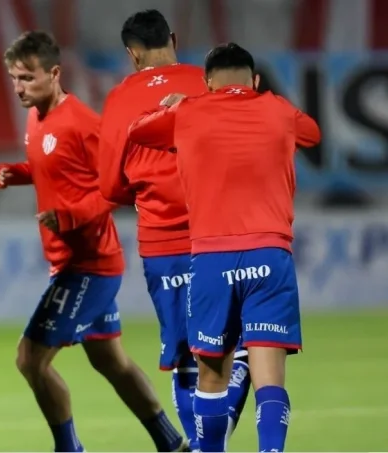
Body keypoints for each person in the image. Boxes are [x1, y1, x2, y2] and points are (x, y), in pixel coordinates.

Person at [0, 31, 186, 453]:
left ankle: (69, 449)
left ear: (55, 73)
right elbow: (57, 168)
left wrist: (70, 216)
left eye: (26, 78)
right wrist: (20, 172)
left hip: (90, 265)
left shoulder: (82, 123)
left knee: (30, 359)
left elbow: (119, 187)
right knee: (109, 361)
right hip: (72, 263)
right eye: (13, 79)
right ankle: (171, 443)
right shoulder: (36, 116)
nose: (18, 88)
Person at [128, 42, 321, 452]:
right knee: (269, 377)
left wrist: (187, 103)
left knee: (212, 376)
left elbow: (138, 131)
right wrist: (261, 103)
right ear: (254, 80)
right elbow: (312, 133)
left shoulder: (189, 111)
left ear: (207, 82)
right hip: (271, 256)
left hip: (212, 260)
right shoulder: (278, 110)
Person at [97, 10, 252, 449]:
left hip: (163, 241)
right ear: (174, 38)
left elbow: (109, 185)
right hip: (221, 232)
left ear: (132, 53)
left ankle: (202, 445)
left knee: (185, 355)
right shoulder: (208, 83)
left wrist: (145, 193)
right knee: (231, 349)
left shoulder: (119, 99)